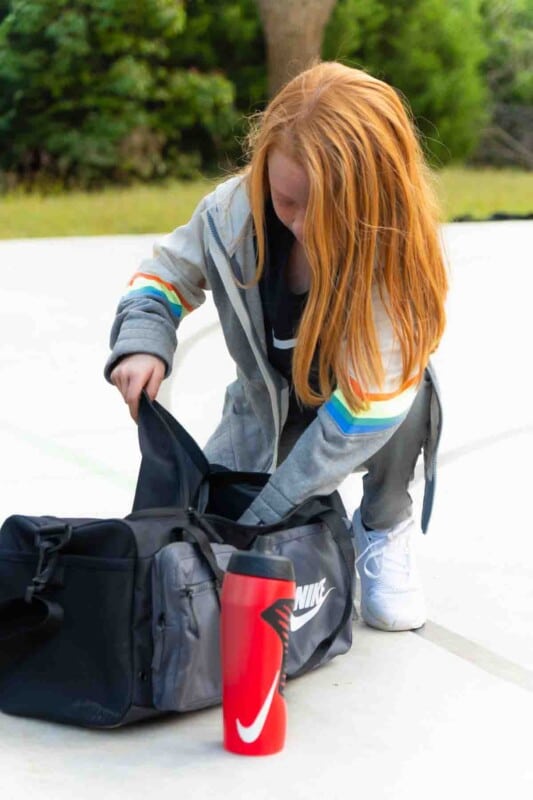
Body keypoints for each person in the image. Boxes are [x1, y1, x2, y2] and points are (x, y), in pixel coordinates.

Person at [105, 61, 448, 632]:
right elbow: (163, 275)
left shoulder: (395, 256)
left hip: (363, 415)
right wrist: (144, 343)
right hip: (269, 410)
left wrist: (260, 521)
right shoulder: (229, 214)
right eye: (287, 200)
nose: (301, 225)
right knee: (192, 539)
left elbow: (354, 422)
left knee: (407, 401)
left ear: (374, 198)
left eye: (326, 209)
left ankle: (383, 526)